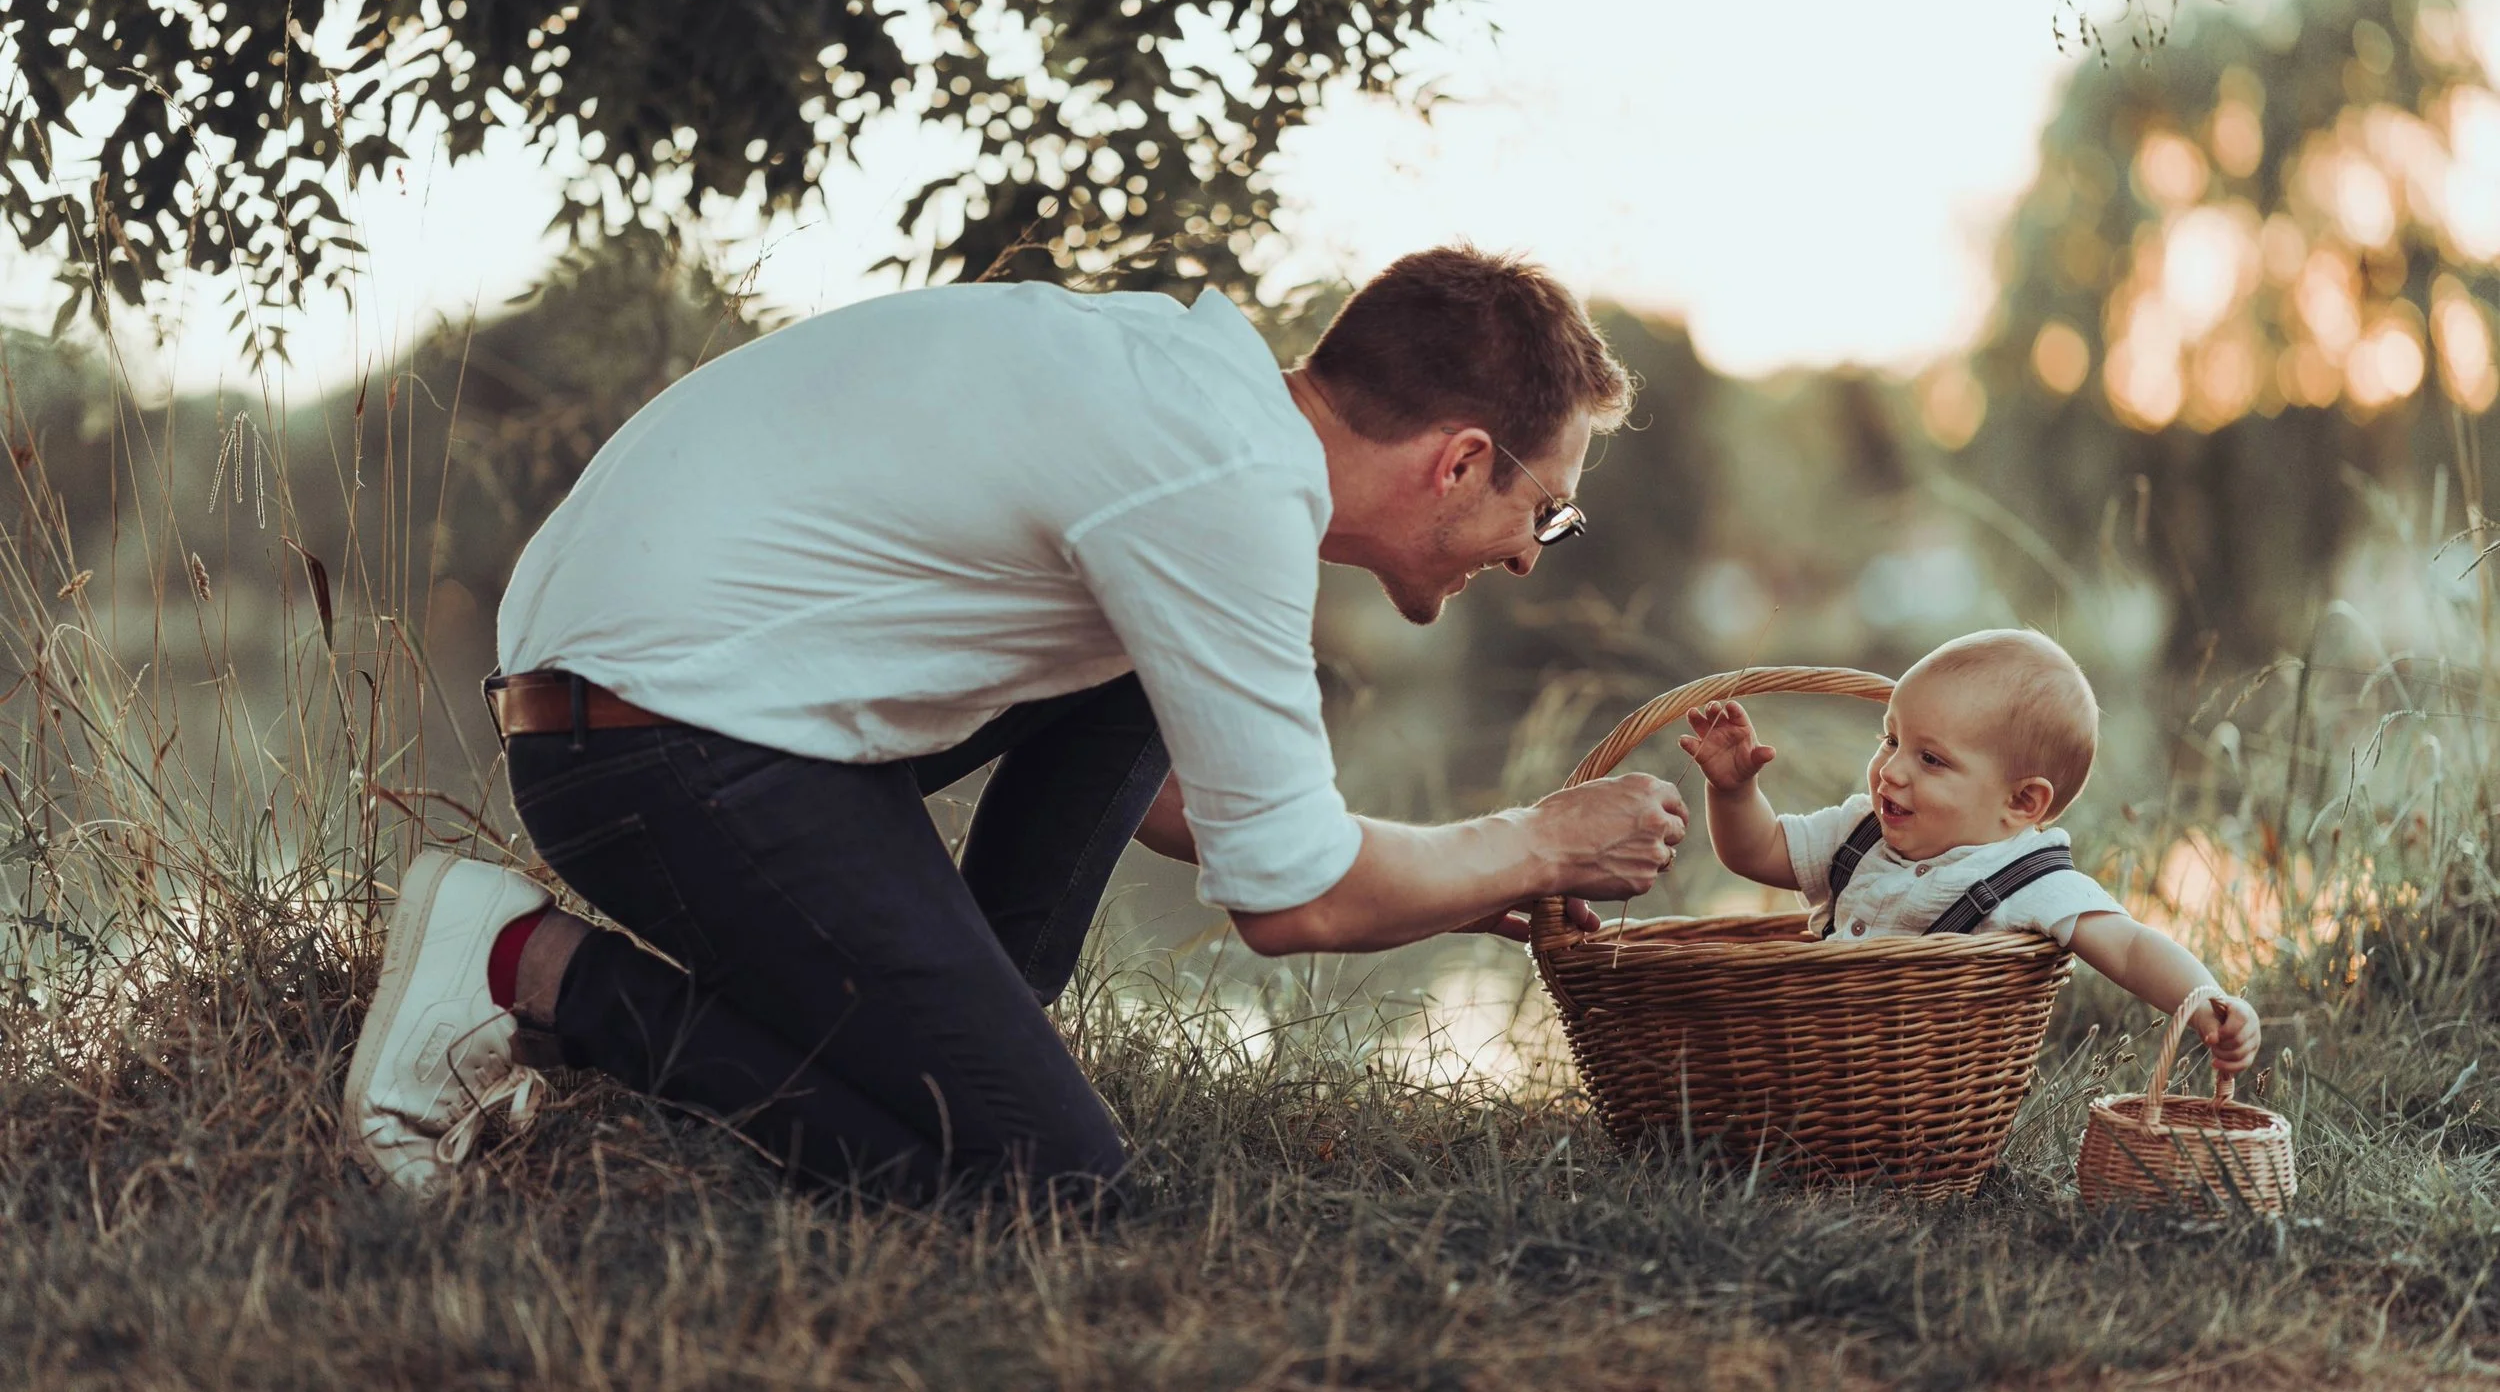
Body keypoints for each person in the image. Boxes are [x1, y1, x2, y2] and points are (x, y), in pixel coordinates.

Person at [344, 246, 1690, 1202]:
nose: (1532, 554)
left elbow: (1189, 802)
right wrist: (1531, 841)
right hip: (651, 748)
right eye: (1547, 511)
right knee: (1053, 1190)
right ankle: (526, 968)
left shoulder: (1199, 408)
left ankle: (954, 1044)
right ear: (1459, 458)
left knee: (1118, 718)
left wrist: (1457, 881)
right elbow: (1288, 903)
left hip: (687, 714)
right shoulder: (1221, 485)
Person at [1678, 628, 2262, 1074]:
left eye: (1930, 759)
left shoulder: (2026, 879)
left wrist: (2205, 999)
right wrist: (1733, 791)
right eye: (1891, 738)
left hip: (1926, 1086)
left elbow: (2130, 947)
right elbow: (1758, 852)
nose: (1891, 770)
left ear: (2022, 803)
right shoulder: (1861, 831)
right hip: (1814, 1067)